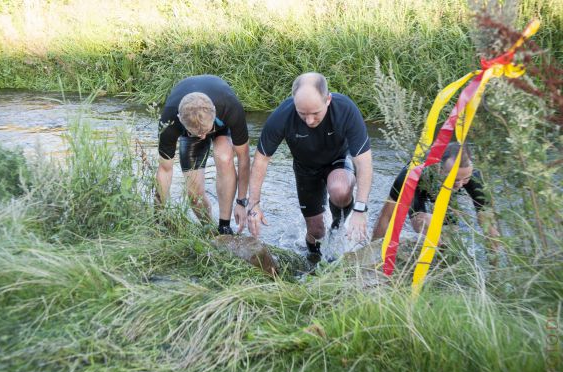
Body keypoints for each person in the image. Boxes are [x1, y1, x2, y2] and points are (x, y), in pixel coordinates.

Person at [247, 72, 373, 257]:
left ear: (328, 100)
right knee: (316, 231)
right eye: (302, 114)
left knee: (339, 189)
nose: (309, 121)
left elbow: (364, 163)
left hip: (337, 161)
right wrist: (253, 205)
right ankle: (313, 261)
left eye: (315, 113)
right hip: (306, 169)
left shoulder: (345, 109)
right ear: (294, 103)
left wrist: (360, 209)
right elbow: (261, 160)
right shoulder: (283, 116)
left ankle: (338, 225)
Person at [156, 75, 250, 234]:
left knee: (224, 156)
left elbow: (244, 158)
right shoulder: (169, 121)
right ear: (179, 118)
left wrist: (241, 202)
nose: (202, 137)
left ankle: (224, 226)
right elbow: (165, 170)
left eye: (205, 132)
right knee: (193, 193)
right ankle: (209, 230)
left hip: (220, 123)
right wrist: (158, 215)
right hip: (188, 124)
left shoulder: (230, 107)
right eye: (197, 133)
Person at [371, 142, 500, 245]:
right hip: (420, 189)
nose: (460, 184)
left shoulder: (474, 176)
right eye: (454, 180)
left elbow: (490, 223)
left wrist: (494, 271)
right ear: (439, 168)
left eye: (465, 179)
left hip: (446, 195)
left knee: (453, 237)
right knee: (427, 223)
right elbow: (386, 218)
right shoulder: (412, 173)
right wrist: (372, 252)